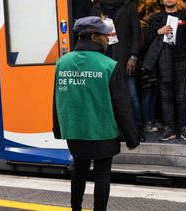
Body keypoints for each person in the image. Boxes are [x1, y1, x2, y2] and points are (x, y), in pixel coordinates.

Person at [53, 16, 140, 211]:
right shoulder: (109, 65)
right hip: (103, 131)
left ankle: (75, 208)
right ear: (93, 36)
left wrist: (58, 129)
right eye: (105, 35)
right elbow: (121, 104)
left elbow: (57, 99)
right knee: (102, 175)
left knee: (79, 171)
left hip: (74, 131)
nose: (108, 39)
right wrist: (131, 137)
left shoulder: (62, 63)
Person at [145, 0, 186, 141]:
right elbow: (148, 38)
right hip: (163, 62)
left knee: (181, 96)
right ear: (162, 0)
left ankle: (185, 127)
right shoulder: (157, 18)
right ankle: (169, 128)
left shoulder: (185, 14)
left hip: (182, 60)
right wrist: (159, 31)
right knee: (166, 97)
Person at [91, 0, 144, 141]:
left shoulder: (128, 3)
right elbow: (92, 34)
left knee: (132, 96)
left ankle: (137, 131)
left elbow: (137, 31)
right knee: (108, 98)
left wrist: (134, 56)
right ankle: (115, 131)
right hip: (103, 58)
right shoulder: (96, 7)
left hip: (125, 57)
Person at [138, 2, 161, 133]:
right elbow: (143, 45)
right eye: (154, 14)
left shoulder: (147, 26)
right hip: (145, 63)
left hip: (151, 63)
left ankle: (151, 119)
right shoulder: (143, 26)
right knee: (147, 94)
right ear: (148, 13)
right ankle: (147, 121)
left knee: (153, 93)